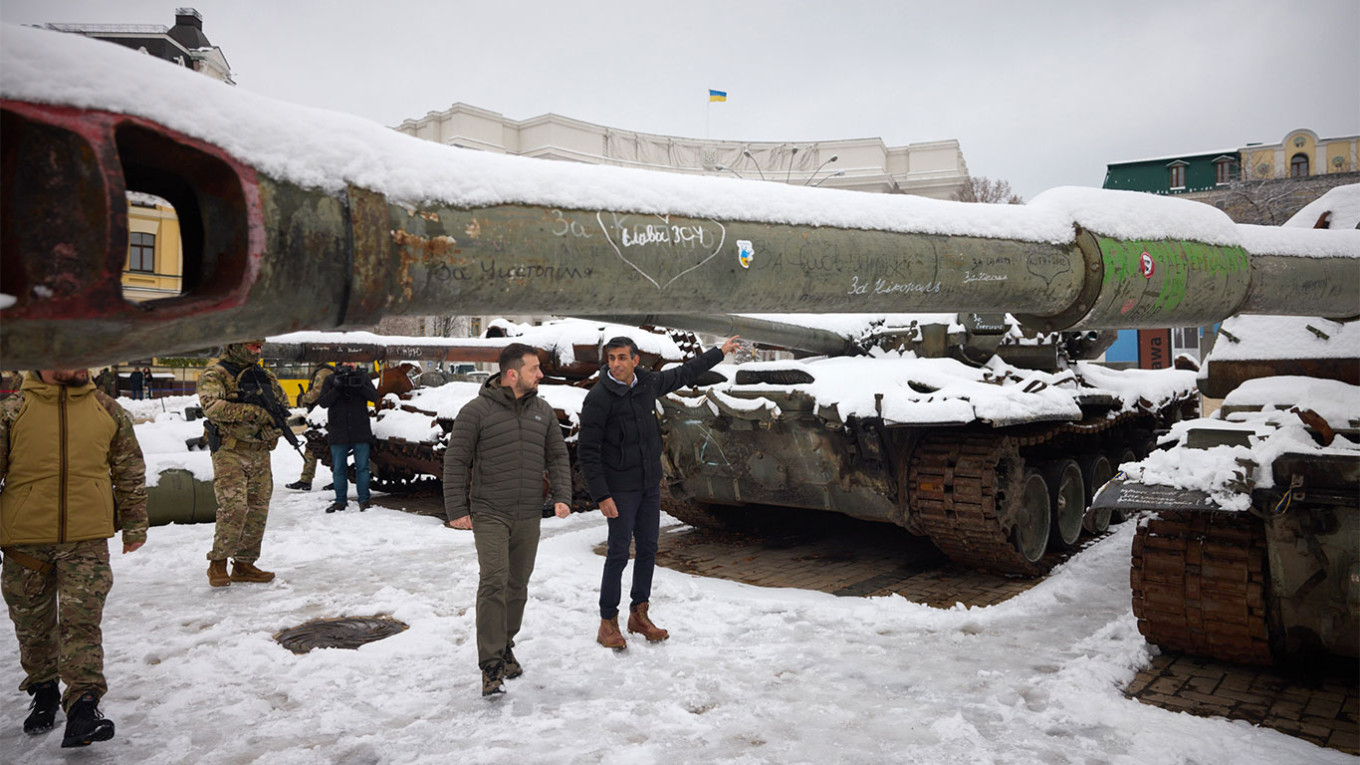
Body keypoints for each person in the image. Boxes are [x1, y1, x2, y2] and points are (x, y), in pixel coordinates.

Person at [1, 368, 148, 748]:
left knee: (82, 624)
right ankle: (44, 689)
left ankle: (83, 706)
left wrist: (135, 524)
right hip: (24, 539)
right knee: (33, 627)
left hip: (86, 539)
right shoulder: (13, 409)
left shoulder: (107, 409)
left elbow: (129, 469)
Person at [579, 335, 738, 649]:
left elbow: (685, 373)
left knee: (649, 549)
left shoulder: (647, 384)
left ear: (635, 360)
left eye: (622, 358)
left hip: (649, 485)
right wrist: (602, 496)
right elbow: (588, 451)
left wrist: (719, 352)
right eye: (611, 358)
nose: (616, 364)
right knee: (618, 553)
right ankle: (607, 622)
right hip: (620, 490)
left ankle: (639, 614)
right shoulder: (599, 398)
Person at [442, 343, 571, 697]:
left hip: (528, 513)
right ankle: (491, 665)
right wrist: (456, 510)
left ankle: (506, 644)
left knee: (518, 586)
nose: (540, 375)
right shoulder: (476, 412)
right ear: (512, 374)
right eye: (534, 369)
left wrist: (562, 496)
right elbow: (456, 461)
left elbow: (558, 457)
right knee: (494, 582)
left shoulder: (542, 411)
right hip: (490, 513)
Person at [197, 339, 288, 588]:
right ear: (236, 345)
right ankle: (218, 563)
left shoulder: (265, 376)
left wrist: (273, 430)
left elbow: (282, 406)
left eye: (260, 347)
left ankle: (244, 564)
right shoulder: (215, 374)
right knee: (234, 508)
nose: (257, 351)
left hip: (259, 451)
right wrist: (254, 412)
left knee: (258, 510)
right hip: (229, 450)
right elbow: (213, 407)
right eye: (252, 346)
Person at [317, 363, 379, 513]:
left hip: (360, 430)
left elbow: (375, 397)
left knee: (363, 467)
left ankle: (364, 500)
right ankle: (340, 501)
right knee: (338, 468)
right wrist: (337, 388)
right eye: (346, 361)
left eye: (353, 361)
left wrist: (360, 387)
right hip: (339, 431)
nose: (349, 365)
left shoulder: (363, 377)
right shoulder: (331, 379)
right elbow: (323, 403)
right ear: (340, 363)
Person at [285, 364, 336, 491]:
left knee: (323, 446)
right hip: (323, 414)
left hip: (322, 415)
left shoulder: (323, 372)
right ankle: (306, 480)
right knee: (315, 446)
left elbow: (316, 392)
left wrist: (303, 398)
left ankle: (309, 480)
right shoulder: (327, 370)